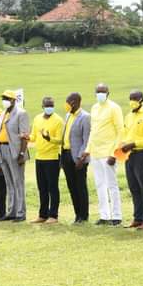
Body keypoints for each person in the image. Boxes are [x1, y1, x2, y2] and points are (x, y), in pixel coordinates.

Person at [83, 83, 124, 226]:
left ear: (108, 93)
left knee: (112, 184)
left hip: (108, 153)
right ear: (95, 93)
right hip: (95, 152)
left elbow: (120, 131)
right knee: (100, 184)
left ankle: (116, 215)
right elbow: (93, 131)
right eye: (98, 91)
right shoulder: (94, 108)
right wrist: (87, 150)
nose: (100, 94)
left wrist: (114, 153)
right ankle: (104, 215)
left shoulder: (114, 108)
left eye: (103, 91)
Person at [121, 90, 143, 230]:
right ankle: (138, 218)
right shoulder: (128, 116)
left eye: (135, 98)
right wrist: (123, 145)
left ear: (141, 99)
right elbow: (124, 134)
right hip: (129, 154)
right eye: (130, 98)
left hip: (142, 154)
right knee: (134, 187)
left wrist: (133, 144)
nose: (132, 101)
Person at [27, 97, 64, 224]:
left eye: (51, 105)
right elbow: (33, 136)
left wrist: (49, 138)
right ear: (42, 106)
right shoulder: (37, 118)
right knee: (42, 187)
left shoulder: (58, 120)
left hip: (52, 158)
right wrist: (27, 137)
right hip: (39, 157)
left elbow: (60, 140)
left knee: (52, 187)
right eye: (47, 105)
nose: (49, 108)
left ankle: (53, 215)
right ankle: (42, 215)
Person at [0, 90, 30, 223]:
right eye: (3, 98)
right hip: (2, 148)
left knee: (18, 182)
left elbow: (25, 136)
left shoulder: (21, 113)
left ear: (14, 100)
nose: (4, 100)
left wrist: (22, 153)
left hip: (14, 150)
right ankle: (12, 211)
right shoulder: (3, 113)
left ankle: (21, 213)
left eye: (7, 98)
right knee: (9, 182)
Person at [60, 93, 91, 224]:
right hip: (66, 154)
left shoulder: (85, 117)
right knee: (71, 186)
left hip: (78, 157)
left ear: (75, 102)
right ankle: (77, 214)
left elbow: (86, 139)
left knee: (80, 186)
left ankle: (83, 215)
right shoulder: (68, 116)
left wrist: (80, 158)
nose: (66, 105)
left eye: (68, 102)